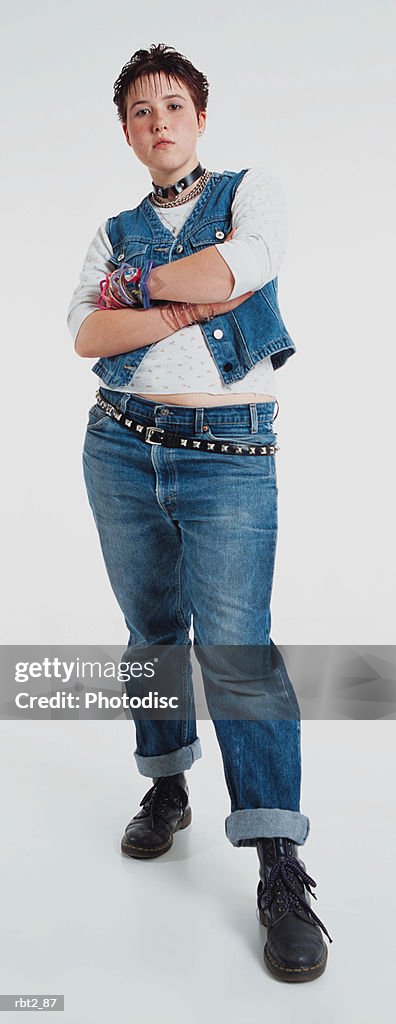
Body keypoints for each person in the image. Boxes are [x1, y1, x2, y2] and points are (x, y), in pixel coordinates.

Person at [66, 42, 332, 982]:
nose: (158, 122)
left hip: (229, 455)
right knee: (149, 632)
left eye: (172, 105)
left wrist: (140, 289)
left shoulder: (252, 191)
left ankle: (277, 862)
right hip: (119, 447)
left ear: (200, 116)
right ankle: (168, 786)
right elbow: (85, 334)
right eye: (140, 111)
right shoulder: (114, 224)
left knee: (238, 653)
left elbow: (240, 272)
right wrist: (163, 295)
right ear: (127, 130)